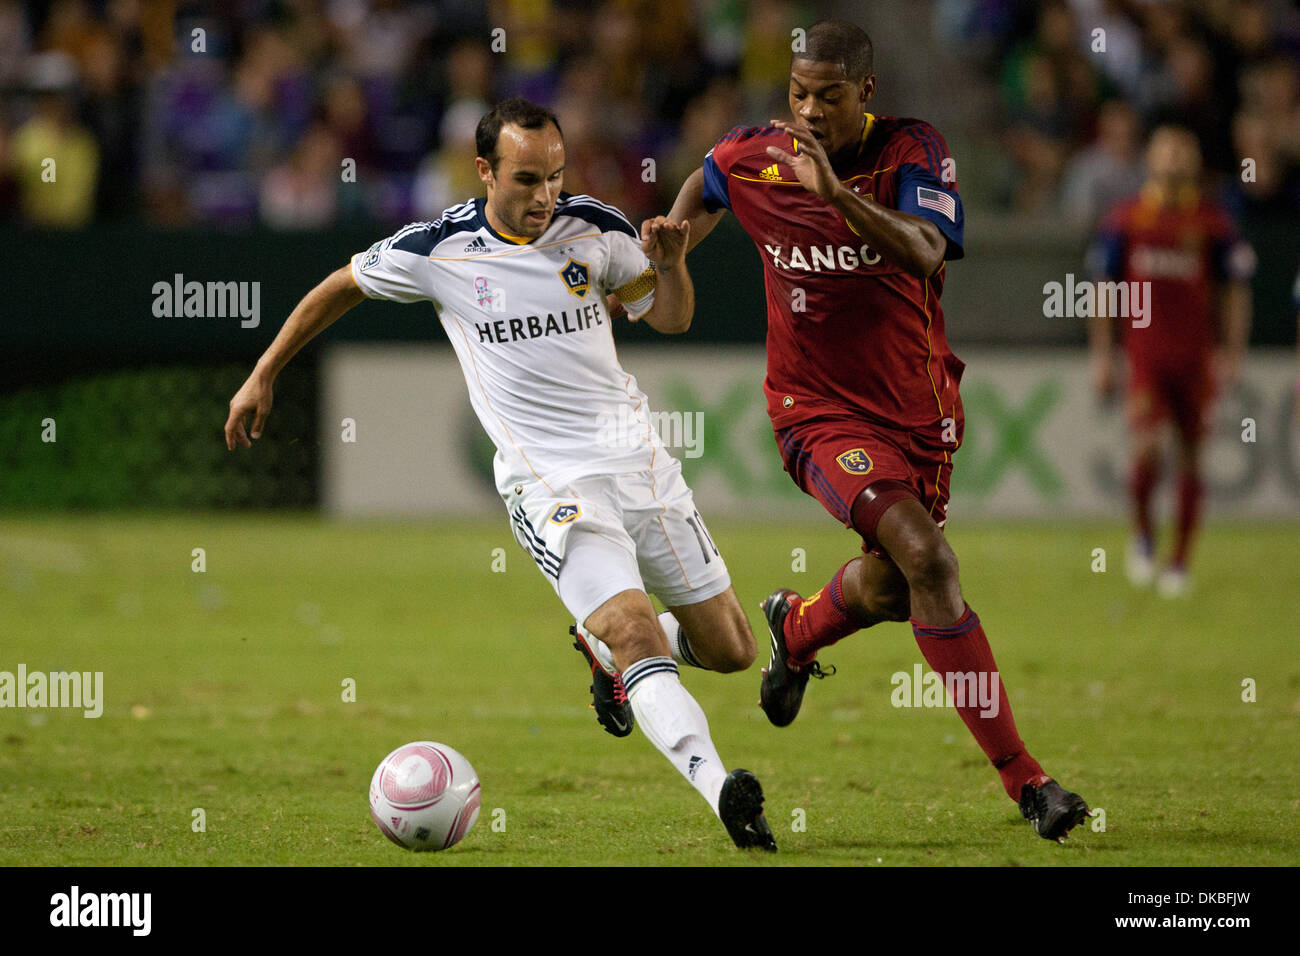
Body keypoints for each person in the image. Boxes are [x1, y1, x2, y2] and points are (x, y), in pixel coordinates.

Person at [224, 96, 775, 851]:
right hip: (551, 484)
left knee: (733, 649)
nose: (544, 194)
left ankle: (605, 657)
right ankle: (723, 791)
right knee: (635, 627)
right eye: (525, 178)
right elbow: (342, 285)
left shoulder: (599, 229)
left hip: (640, 465)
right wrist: (264, 372)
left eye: (554, 175)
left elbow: (670, 316)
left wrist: (672, 268)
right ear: (483, 170)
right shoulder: (439, 248)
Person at [660, 20, 1090, 841]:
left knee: (895, 586)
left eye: (828, 95)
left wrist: (835, 196)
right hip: (814, 411)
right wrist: (674, 244)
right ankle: (1030, 785)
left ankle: (797, 628)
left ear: (866, 94)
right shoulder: (753, 154)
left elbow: (928, 250)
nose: (810, 111)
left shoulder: (913, 153)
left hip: (918, 412)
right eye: (798, 94)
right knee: (928, 557)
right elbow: (703, 189)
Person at [1090, 124, 1254, 597]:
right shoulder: (1126, 220)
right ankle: (1142, 536)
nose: (1176, 158)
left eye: (1185, 149)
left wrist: (1233, 351)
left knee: (1193, 458)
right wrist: (1103, 356)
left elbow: (1235, 291)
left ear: (1197, 160)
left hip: (1196, 360)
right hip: (1146, 358)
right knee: (1148, 448)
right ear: (1151, 158)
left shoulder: (1213, 223)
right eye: (1168, 149)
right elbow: (1102, 288)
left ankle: (1180, 561)